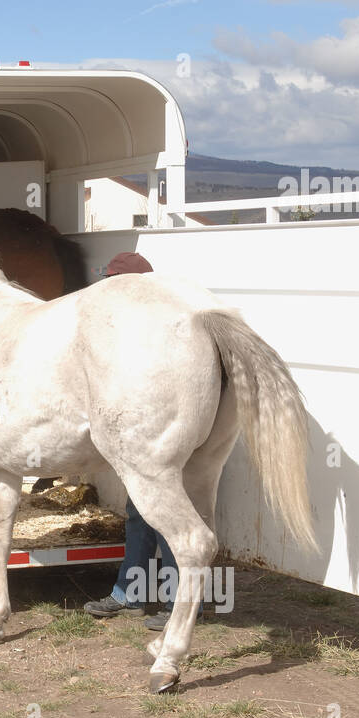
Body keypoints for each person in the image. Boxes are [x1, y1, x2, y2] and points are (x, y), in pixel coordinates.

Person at [82, 252, 209, 630]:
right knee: (140, 512)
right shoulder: (133, 328)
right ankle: (130, 594)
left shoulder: (162, 329)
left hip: (164, 437)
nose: (105, 288)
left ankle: (181, 604)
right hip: (148, 439)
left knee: (166, 515)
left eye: (111, 281)